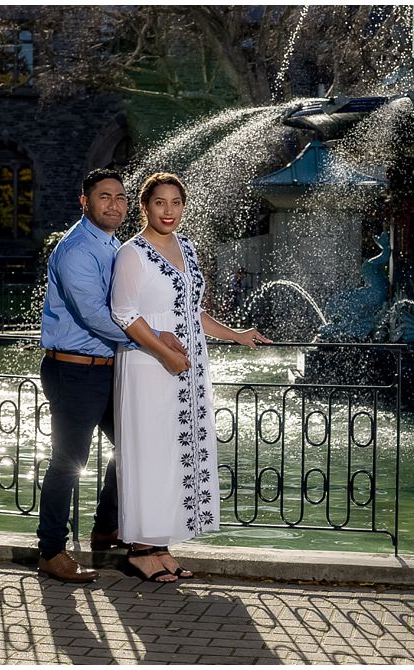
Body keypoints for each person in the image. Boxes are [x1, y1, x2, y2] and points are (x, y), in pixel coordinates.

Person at [110, 172, 271, 582]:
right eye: (160, 203)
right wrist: (165, 354)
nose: (169, 211)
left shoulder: (187, 247)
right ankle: (140, 549)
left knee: (176, 453)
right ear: (145, 206)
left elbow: (192, 314)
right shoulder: (133, 253)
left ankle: (161, 543)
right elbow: (124, 314)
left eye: (176, 203)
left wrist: (235, 335)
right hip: (148, 365)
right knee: (150, 451)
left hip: (189, 366)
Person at [37, 168, 187, 583]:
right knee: (68, 461)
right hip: (74, 369)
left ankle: (107, 529)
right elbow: (96, 315)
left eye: (120, 197)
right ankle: (50, 550)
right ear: (84, 202)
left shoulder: (113, 247)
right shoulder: (76, 251)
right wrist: (154, 340)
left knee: (133, 449)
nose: (114, 205)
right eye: (104, 197)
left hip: (110, 368)